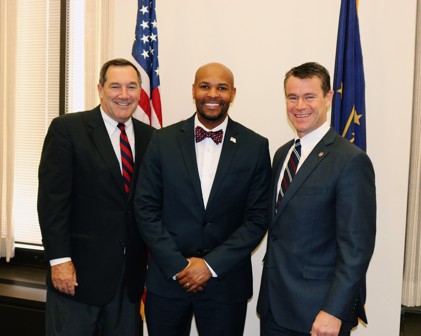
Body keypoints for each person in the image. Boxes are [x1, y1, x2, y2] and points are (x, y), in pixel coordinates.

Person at [134, 62, 271, 336]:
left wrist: (210, 266)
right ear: (194, 90)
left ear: (233, 93)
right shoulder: (162, 140)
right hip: (167, 280)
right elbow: (145, 208)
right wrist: (179, 266)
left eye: (221, 88)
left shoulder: (255, 146)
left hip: (226, 283)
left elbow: (257, 219)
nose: (213, 94)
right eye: (205, 86)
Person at [257, 62, 376, 336]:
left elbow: (356, 249)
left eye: (309, 96)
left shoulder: (350, 161)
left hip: (318, 314)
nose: (300, 105)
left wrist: (334, 311)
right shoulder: (282, 154)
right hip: (274, 308)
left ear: (329, 98)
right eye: (292, 97)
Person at [38, 58, 155, 335]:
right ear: (100, 89)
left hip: (128, 282)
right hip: (77, 278)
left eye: (131, 87)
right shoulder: (68, 130)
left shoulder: (150, 137)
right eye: (115, 86)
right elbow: (52, 202)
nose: (124, 95)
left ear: (140, 91)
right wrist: (59, 261)